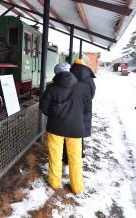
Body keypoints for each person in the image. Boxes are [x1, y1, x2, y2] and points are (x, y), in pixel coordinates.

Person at [39, 63, 91, 194]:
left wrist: (55, 115)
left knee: (55, 155)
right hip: (76, 129)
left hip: (55, 128)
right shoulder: (83, 87)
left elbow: (43, 107)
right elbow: (87, 110)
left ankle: (54, 181)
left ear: (56, 73)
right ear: (69, 71)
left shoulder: (51, 88)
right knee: (75, 157)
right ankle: (77, 187)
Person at [62, 58, 96, 164]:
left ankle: (67, 158)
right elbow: (92, 93)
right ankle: (79, 152)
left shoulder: (71, 73)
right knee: (79, 132)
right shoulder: (89, 77)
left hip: (70, 107)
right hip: (83, 107)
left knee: (66, 133)